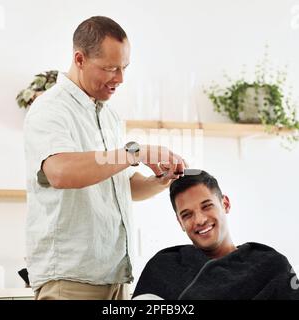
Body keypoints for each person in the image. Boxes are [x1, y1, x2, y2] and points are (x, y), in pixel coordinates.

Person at [23, 16, 186, 300]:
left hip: (115, 279)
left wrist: (161, 181)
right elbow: (60, 172)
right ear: (80, 59)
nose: (120, 79)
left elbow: (125, 186)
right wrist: (137, 152)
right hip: (70, 281)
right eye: (110, 68)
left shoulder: (109, 117)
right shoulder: (50, 109)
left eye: (124, 68)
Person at [132, 170, 299, 300]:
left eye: (207, 206)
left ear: (225, 204)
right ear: (180, 222)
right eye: (187, 215)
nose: (200, 220)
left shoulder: (269, 264)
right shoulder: (164, 267)